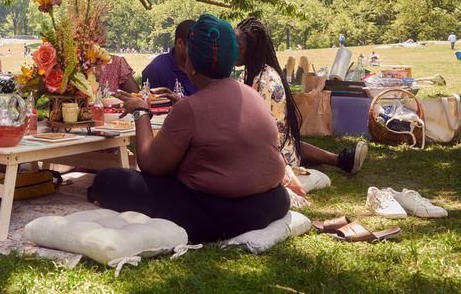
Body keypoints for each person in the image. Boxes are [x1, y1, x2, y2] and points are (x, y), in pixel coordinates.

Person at [90, 14, 290, 243]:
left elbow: (150, 164)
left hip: (221, 212)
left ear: (191, 65)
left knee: (109, 180)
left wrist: (140, 111)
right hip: (272, 201)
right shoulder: (252, 95)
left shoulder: (190, 108)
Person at [235, 18, 367, 185]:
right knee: (293, 142)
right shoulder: (249, 74)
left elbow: (260, 133)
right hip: (280, 147)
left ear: (252, 49)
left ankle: (339, 161)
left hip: (271, 155)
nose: (232, 49)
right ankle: (341, 160)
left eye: (238, 47)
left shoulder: (265, 81)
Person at [141, 20, 197, 95]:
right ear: (179, 43)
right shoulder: (156, 70)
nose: (200, 50)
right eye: (195, 46)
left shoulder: (205, 69)